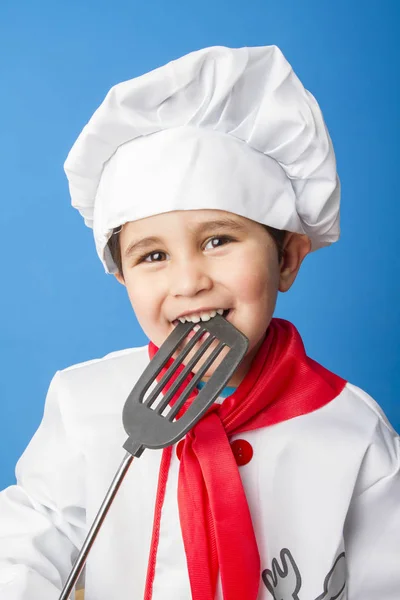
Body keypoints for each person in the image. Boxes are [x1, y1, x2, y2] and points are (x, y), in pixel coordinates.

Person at [0, 45, 399, 600]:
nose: (189, 282)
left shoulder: (352, 430)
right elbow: (26, 545)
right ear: (123, 278)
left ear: (287, 259)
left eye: (218, 241)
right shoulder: (83, 402)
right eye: (152, 256)